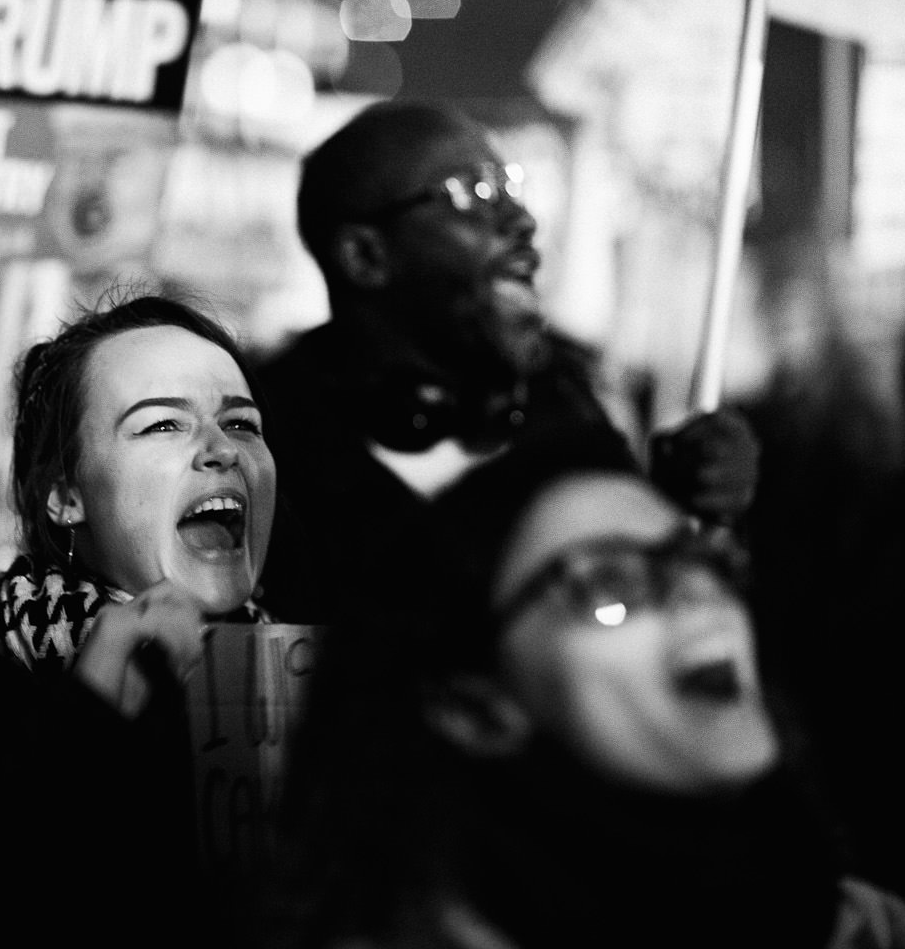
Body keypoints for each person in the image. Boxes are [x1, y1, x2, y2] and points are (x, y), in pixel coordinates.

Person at [269, 449, 905, 949]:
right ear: (475, 708)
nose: (695, 593)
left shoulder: (851, 925)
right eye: (610, 587)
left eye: (701, 560)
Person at [0, 294, 277, 949]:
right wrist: (89, 715)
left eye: (244, 425)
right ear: (64, 494)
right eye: (163, 426)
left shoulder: (317, 702)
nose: (220, 451)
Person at [256, 100, 757, 625]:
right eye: (473, 193)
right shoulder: (267, 438)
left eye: (510, 187)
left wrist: (679, 512)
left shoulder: (562, 402)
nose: (523, 221)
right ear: (364, 256)